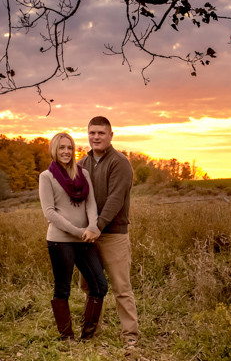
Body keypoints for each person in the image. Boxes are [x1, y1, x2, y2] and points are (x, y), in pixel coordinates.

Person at [38, 131, 108, 340]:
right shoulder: (47, 177)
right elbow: (49, 212)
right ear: (54, 150)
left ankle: (87, 335)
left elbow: (91, 203)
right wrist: (79, 231)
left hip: (85, 239)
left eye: (69, 147)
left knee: (99, 286)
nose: (66, 151)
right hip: (60, 241)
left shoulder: (83, 174)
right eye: (62, 147)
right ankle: (66, 337)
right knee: (62, 288)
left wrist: (93, 227)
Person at [78, 116, 139, 346]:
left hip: (113, 234)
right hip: (88, 236)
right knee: (90, 286)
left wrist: (98, 226)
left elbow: (115, 199)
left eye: (101, 133)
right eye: (92, 133)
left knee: (121, 287)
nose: (96, 137)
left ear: (111, 135)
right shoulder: (82, 164)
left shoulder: (119, 162)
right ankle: (93, 331)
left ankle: (130, 336)